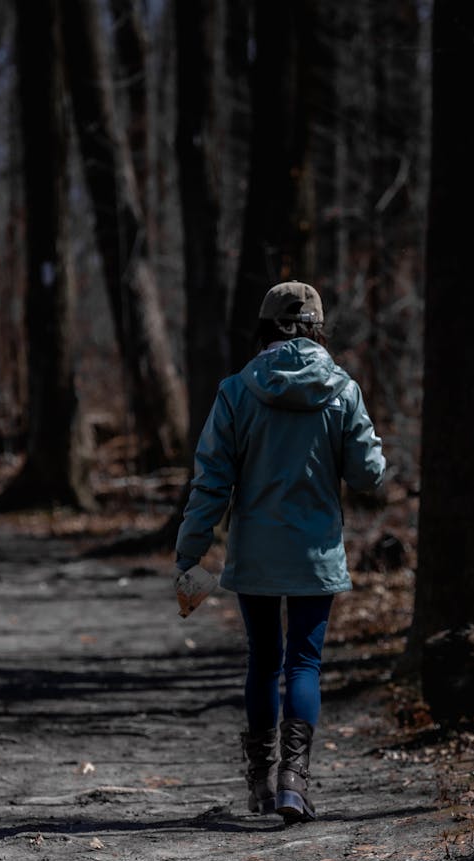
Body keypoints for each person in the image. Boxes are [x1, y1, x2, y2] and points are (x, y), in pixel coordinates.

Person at [174, 280, 385, 822]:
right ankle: (294, 781)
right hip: (316, 553)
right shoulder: (343, 390)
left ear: (264, 329)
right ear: (319, 330)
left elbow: (211, 481)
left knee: (264, 662)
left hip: (257, 554)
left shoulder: (237, 391)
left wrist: (190, 553)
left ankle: (260, 784)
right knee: (304, 662)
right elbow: (368, 474)